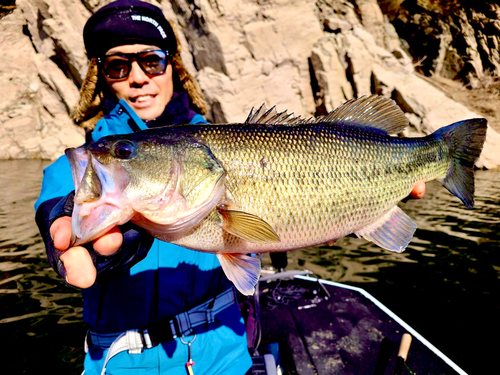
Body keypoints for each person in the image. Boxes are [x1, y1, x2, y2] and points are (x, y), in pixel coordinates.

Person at [35, 0, 426, 374]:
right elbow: (59, 215)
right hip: (117, 366)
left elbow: (248, 250)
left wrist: (341, 209)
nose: (138, 77)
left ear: (174, 68)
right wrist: (88, 242)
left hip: (226, 357)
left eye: (151, 61)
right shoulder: (80, 166)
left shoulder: (217, 141)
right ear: (99, 77)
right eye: (117, 66)